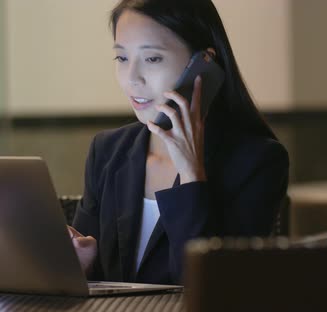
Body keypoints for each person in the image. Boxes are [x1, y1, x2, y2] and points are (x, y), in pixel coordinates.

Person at [68, 0, 289, 285]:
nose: (131, 78)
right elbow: (97, 279)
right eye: (122, 58)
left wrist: (191, 174)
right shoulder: (108, 151)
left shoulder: (258, 161)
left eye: (152, 59)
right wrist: (80, 266)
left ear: (202, 65)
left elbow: (213, 286)